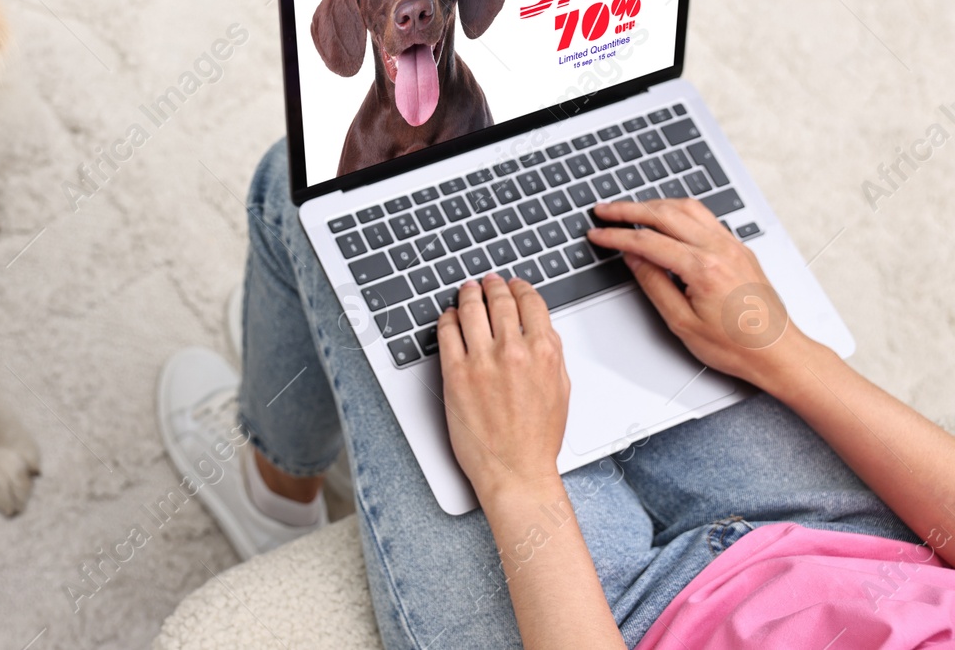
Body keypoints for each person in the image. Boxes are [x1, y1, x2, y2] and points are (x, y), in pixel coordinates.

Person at [160, 141, 955, 649]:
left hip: (612, 626)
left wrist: (519, 480)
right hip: (854, 544)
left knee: (309, 191)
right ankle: (336, 359)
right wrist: (783, 352)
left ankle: (275, 489)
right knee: (573, 193)